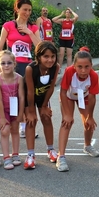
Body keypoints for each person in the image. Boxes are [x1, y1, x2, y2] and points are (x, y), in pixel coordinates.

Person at [0, 0, 41, 137]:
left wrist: (29, 32)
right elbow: (0, 47)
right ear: (17, 9)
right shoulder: (8, 25)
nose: (27, 13)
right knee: (7, 94)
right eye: (24, 9)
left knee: (26, 96)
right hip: (11, 64)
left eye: (30, 10)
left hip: (27, 65)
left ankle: (23, 124)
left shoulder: (33, 27)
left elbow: (41, 47)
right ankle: (0, 122)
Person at [56, 46, 99, 172]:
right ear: (74, 66)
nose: (83, 70)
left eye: (87, 67)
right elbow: (63, 93)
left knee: (89, 123)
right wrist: (67, 114)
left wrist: (90, 116)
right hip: (68, 97)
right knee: (67, 123)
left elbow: (92, 98)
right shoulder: (69, 71)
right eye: (80, 67)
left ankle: (87, 146)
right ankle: (61, 156)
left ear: (91, 66)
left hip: (84, 97)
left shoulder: (94, 76)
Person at [24, 41, 60, 170]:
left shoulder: (56, 67)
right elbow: (29, 91)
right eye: (46, 56)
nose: (50, 60)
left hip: (43, 95)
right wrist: (31, 111)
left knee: (46, 118)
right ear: (38, 57)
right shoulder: (30, 69)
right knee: (31, 121)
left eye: (52, 56)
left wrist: (44, 106)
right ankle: (30, 155)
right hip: (29, 97)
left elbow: (51, 87)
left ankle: (51, 149)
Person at [0, 50, 25, 170]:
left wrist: (21, 113)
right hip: (3, 109)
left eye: (9, 63)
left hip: (15, 108)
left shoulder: (19, 79)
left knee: (15, 130)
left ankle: (15, 154)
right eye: (3, 63)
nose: (6, 66)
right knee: (5, 130)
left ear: (14, 64)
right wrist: (1, 118)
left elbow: (21, 97)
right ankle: (6, 157)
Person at [52, 7, 79, 71]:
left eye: (69, 12)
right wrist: (61, 15)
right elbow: (53, 19)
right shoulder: (62, 20)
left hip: (70, 39)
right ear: (65, 13)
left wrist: (71, 10)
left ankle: (68, 69)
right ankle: (59, 68)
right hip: (62, 38)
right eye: (66, 12)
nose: (68, 13)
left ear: (70, 14)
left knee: (69, 54)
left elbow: (77, 16)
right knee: (61, 54)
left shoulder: (72, 21)